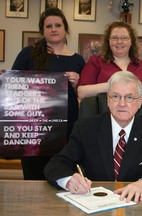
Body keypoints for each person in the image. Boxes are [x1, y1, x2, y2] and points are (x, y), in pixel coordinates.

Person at [44, 71, 142, 203]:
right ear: (108, 100)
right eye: (115, 96)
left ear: (140, 102)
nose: (122, 104)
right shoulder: (86, 128)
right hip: (95, 203)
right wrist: (69, 180)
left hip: (138, 205)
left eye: (129, 97)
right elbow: (56, 164)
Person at [11, 8, 86, 180]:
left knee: (63, 175)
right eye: (49, 26)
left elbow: (84, 95)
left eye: (58, 25)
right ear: (42, 31)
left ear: (66, 29)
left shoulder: (78, 60)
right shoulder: (28, 53)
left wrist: (77, 83)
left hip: (67, 127)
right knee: (34, 177)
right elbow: (13, 86)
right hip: (34, 127)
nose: (54, 29)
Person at [77, 21, 142, 101]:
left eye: (124, 38)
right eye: (114, 38)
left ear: (131, 42)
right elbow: (81, 93)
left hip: (139, 115)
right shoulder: (95, 62)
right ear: (108, 41)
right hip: (104, 114)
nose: (119, 42)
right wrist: (110, 86)